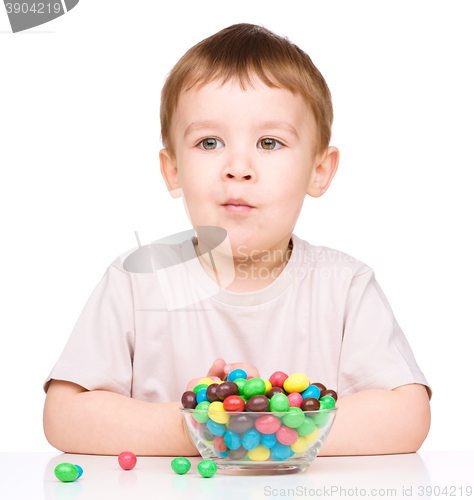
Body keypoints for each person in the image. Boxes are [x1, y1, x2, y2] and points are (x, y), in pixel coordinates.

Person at [42, 23, 431, 457]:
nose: (238, 167)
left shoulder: (344, 285)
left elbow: (408, 416)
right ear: (172, 170)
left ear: (319, 171)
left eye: (269, 141)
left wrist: (273, 427)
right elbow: (63, 415)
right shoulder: (138, 281)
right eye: (209, 142)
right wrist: (203, 425)